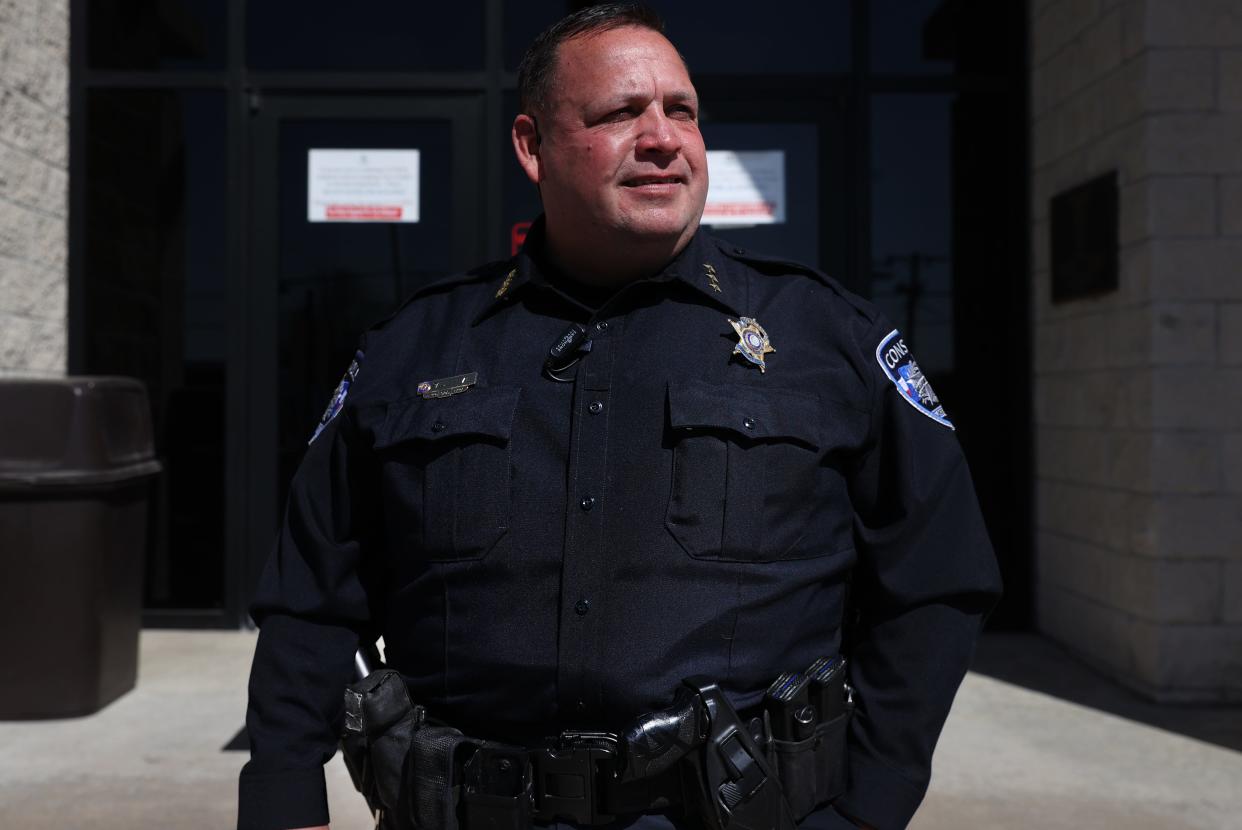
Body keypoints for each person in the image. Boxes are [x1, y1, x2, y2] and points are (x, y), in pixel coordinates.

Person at [238, 5, 1002, 830]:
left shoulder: (829, 338)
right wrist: (281, 796)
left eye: (682, 112)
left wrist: (870, 804)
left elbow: (938, 578)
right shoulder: (412, 350)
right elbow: (311, 600)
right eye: (620, 114)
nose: (663, 137)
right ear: (533, 146)